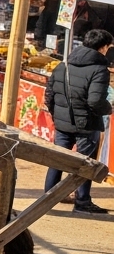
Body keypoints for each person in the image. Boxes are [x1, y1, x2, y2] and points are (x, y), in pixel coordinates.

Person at [43, 28, 113, 214]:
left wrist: (57, 114)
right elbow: (95, 101)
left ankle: (48, 196)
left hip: (63, 123)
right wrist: (108, 108)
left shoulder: (63, 64)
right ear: (103, 47)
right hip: (87, 124)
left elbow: (49, 95)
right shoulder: (99, 70)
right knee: (85, 164)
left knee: (58, 159)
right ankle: (82, 201)